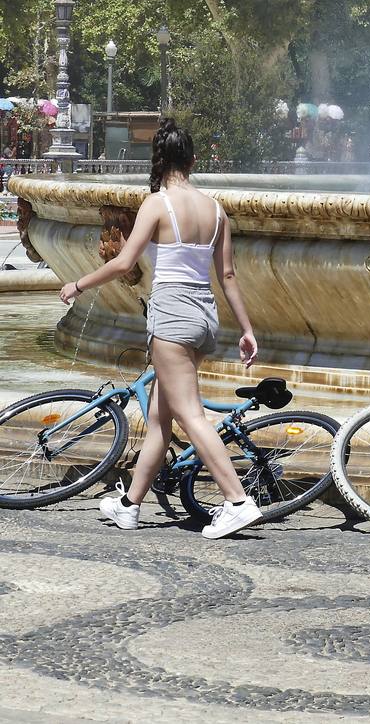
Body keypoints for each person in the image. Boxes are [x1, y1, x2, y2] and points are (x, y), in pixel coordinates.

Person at [60, 119, 264, 539]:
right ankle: (129, 505)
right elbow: (227, 275)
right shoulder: (216, 208)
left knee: (190, 413)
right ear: (191, 160)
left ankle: (238, 501)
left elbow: (123, 263)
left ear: (158, 160)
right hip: (204, 317)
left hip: (171, 314)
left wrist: (77, 285)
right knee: (159, 419)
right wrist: (247, 329)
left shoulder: (157, 203)